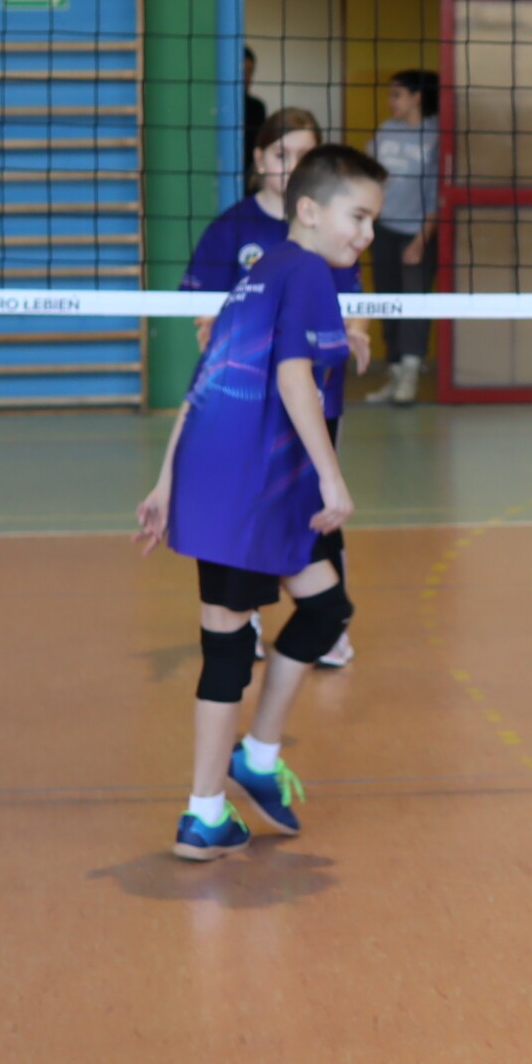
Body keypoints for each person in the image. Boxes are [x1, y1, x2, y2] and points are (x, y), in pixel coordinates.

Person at [136, 145, 386, 861]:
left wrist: (166, 478)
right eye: (358, 216)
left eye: (374, 220)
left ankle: (230, 786)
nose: (367, 233)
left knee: (298, 618)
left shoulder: (260, 274)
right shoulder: (306, 271)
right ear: (309, 210)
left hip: (225, 475)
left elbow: (206, 376)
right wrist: (332, 477)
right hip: (254, 482)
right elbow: (293, 378)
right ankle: (224, 790)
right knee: (264, 631)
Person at [182, 108, 373, 667]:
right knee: (254, 508)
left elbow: (352, 301)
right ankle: (247, 615)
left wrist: (356, 333)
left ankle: (328, 623)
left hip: (318, 399)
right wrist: (214, 327)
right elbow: (208, 311)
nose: (291, 166)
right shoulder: (235, 227)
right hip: (253, 409)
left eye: (304, 155)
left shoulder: (333, 232)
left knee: (315, 510)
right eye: (281, 154)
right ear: (259, 159)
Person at [364, 69, 442, 406]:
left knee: (414, 304)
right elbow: (367, 176)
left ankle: (410, 372)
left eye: (397, 94)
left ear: (417, 97)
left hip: (417, 233)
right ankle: (394, 372)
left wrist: (421, 240)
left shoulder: (436, 134)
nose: (390, 101)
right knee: (388, 300)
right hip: (383, 229)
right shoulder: (386, 130)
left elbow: (439, 193)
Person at [242, 46, 268, 161]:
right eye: (242, 71)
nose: (246, 77)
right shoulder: (214, 106)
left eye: (250, 71)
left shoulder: (257, 108)